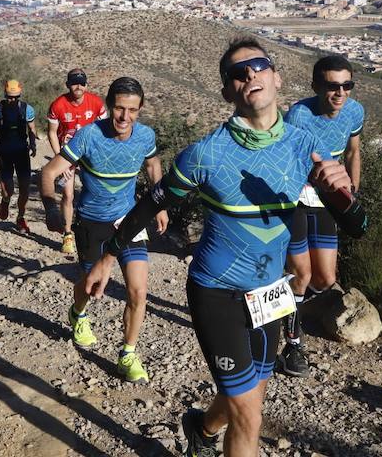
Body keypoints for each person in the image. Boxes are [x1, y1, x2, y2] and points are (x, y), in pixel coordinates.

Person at [86, 39, 367, 456]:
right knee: (249, 414)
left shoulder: (300, 145)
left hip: (270, 294)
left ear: (276, 77)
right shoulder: (206, 153)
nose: (250, 74)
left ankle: (201, 427)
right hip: (216, 291)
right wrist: (108, 255)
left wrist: (340, 194)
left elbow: (357, 227)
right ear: (227, 91)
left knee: (253, 389)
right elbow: (151, 203)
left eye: (258, 66)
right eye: (238, 73)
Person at [40, 77, 168, 383]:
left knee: (138, 291)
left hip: (129, 221)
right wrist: (49, 207)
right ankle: (78, 314)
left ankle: (128, 354)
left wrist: (160, 203)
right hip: (92, 221)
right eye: (119, 109)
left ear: (141, 109)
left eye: (133, 110)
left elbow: (152, 166)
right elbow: (49, 172)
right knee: (90, 285)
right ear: (109, 106)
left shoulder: (145, 135)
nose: (125, 117)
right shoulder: (88, 136)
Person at [281, 55, 365, 378]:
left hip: (330, 198)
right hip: (298, 197)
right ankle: (293, 343)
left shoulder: (355, 111)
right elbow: (287, 159)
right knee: (301, 274)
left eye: (346, 85)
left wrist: (351, 190)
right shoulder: (299, 115)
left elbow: (354, 150)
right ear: (316, 86)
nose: (340, 93)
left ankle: (286, 301)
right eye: (332, 86)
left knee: (325, 279)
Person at [46, 68, 107, 255]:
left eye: (81, 83)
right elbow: (51, 132)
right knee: (68, 195)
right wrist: (59, 158)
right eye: (74, 82)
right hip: (68, 154)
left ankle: (97, 233)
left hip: (91, 154)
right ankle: (67, 234)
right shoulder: (58, 105)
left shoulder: (96, 103)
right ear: (67, 85)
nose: (78, 86)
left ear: (86, 85)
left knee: (95, 192)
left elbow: (105, 129)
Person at [0, 79, 38, 233]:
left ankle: (21, 218)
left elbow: (32, 128)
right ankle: (5, 200)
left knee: (25, 189)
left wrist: (33, 144)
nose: (12, 100)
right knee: (8, 190)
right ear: (5, 94)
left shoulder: (27, 109)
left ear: (19, 95)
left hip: (22, 152)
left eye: (15, 97)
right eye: (9, 96)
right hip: (4, 153)